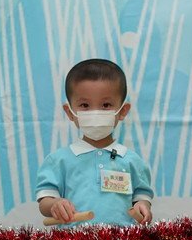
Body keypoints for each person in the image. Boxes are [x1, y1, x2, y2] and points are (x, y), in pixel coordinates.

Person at [36, 58, 154, 226]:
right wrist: (55, 204)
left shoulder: (132, 160)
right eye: (84, 105)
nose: (95, 112)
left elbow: (141, 196)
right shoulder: (58, 160)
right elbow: (44, 201)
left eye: (106, 105)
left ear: (122, 111)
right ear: (70, 112)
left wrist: (143, 205)